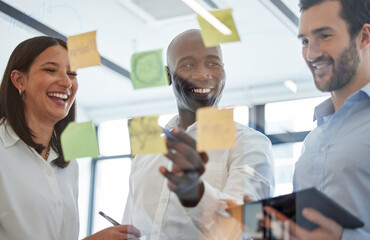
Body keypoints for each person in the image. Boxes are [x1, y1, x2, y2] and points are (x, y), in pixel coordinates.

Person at [122, 29, 275, 239]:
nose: (203, 74)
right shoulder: (146, 155)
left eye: (213, 63)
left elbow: (244, 230)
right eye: (188, 65)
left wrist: (197, 194)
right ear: (168, 75)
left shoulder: (249, 143)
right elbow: (129, 229)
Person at [0, 36, 141, 240]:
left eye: (72, 73)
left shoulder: (68, 164)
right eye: (50, 70)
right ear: (19, 80)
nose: (66, 82)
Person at [261, 0, 370, 239]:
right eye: (305, 41)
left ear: (363, 36)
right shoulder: (313, 141)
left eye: (325, 36)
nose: (312, 53)